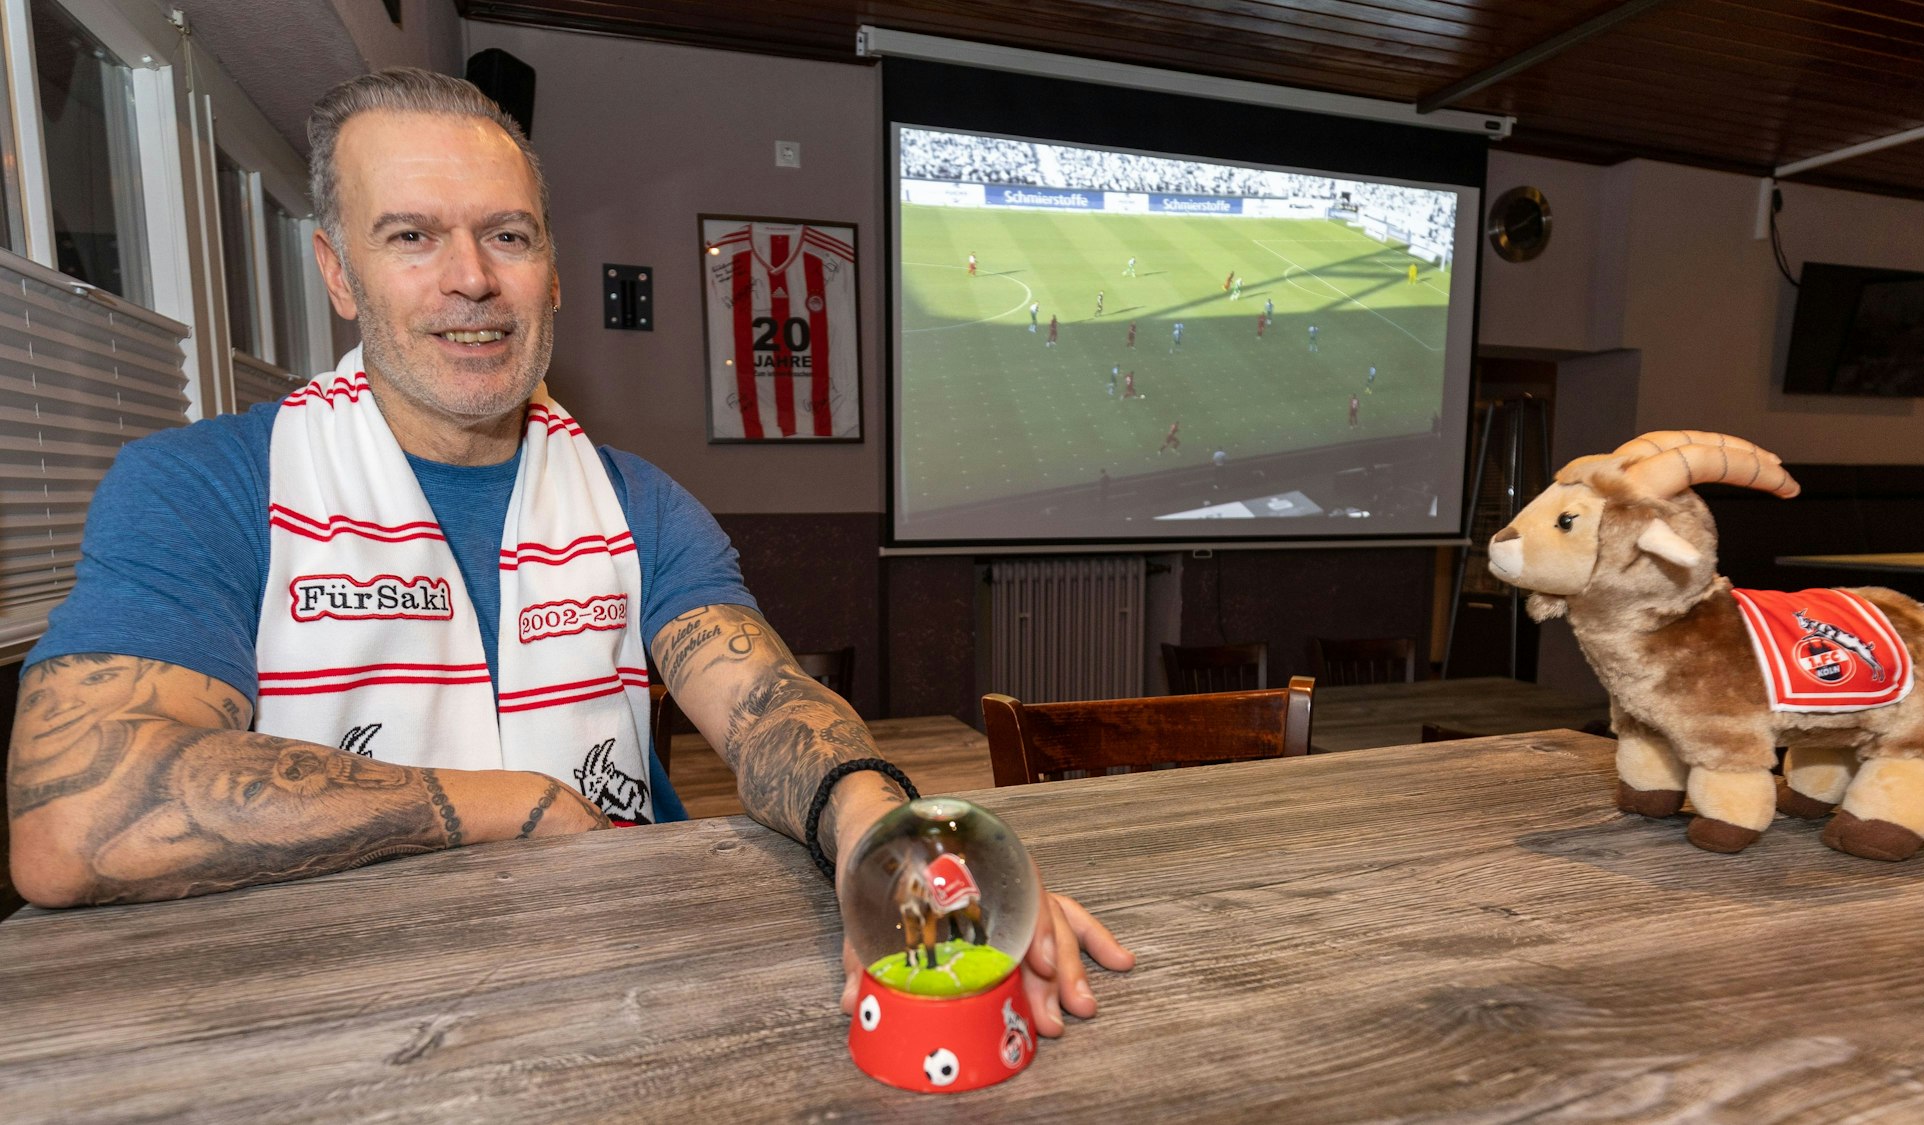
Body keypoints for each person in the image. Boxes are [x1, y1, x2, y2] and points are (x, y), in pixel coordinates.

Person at [7, 69, 1129, 1038]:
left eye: (508, 235)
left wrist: (885, 835)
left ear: (549, 267)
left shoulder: (637, 499)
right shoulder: (202, 487)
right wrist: (509, 804)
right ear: (338, 271)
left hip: (626, 980)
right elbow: (72, 824)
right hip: (330, 1006)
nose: (472, 279)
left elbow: (765, 704)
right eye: (411, 236)